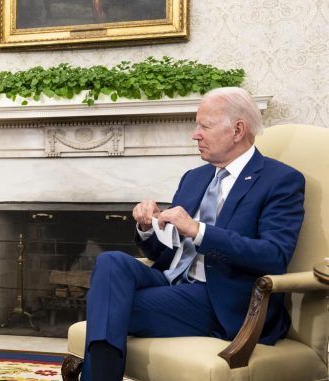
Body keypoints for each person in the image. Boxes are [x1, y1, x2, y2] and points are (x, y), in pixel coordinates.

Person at [82, 87, 305, 380]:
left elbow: (273, 255)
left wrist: (199, 230)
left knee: (107, 304)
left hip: (221, 297)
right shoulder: (195, 177)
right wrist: (148, 229)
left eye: (204, 126)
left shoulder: (280, 181)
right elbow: (169, 253)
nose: (195, 134)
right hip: (173, 280)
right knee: (111, 262)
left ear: (238, 130)